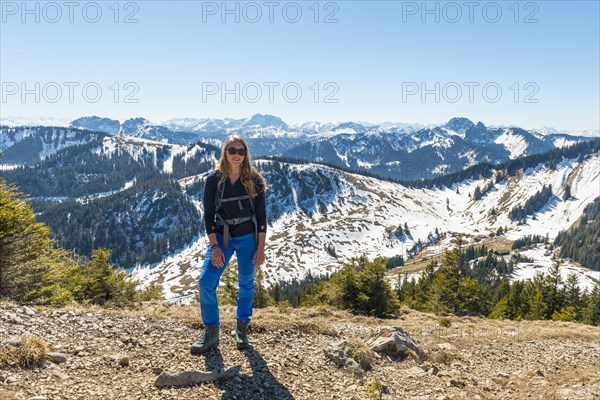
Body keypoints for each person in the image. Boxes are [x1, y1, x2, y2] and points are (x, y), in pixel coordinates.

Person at [191, 135, 267, 354]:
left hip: (247, 239)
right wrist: (214, 247)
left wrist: (260, 248)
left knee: (246, 283)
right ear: (225, 152)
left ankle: (241, 329)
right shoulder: (214, 180)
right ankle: (211, 332)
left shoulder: (255, 180)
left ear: (246, 154)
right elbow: (208, 215)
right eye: (232, 150)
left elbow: (261, 217)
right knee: (206, 282)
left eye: (241, 151)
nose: (236, 155)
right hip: (222, 239)